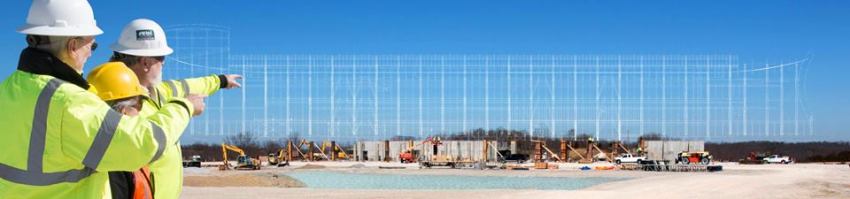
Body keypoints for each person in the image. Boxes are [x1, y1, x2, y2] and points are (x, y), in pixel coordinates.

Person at [0, 0, 205, 198]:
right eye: (92, 45)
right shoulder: (68, 102)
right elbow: (142, 145)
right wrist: (184, 106)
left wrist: (220, 81)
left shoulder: (8, 89)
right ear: (73, 46)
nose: (91, 54)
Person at [107, 18, 242, 199]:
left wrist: (221, 80)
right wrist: (185, 107)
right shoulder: (120, 105)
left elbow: (193, 85)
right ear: (145, 62)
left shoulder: (160, 90)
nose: (164, 63)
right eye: (161, 57)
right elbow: (146, 142)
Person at [87, 62, 156, 199]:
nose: (140, 113)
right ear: (123, 111)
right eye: (139, 105)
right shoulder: (116, 164)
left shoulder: (89, 149)